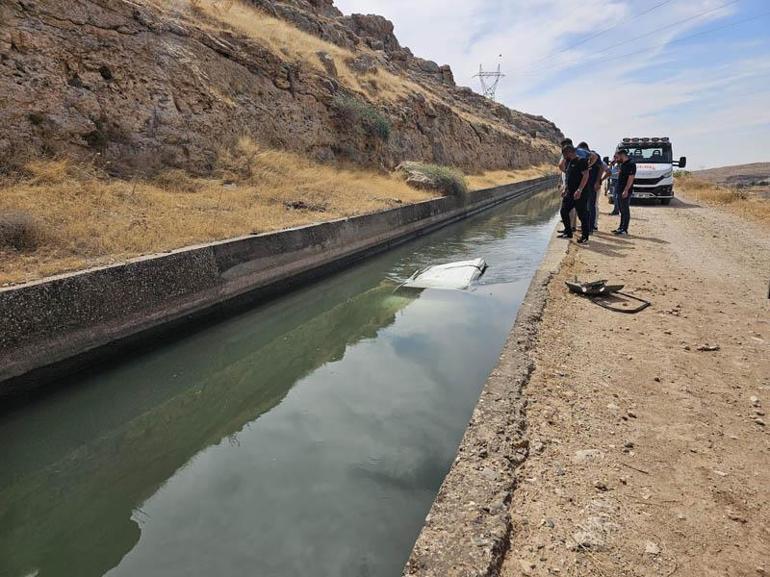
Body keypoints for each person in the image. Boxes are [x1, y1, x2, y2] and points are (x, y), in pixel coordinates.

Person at [558, 139, 597, 233]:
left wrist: (579, 190)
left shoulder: (581, 159)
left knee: (582, 213)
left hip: (580, 190)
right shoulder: (569, 161)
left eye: (564, 154)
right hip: (570, 189)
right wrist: (565, 187)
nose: (564, 157)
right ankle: (569, 230)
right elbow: (567, 174)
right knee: (564, 211)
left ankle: (585, 234)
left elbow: (586, 175)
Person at [577, 142, 607, 232]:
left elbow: (602, 167)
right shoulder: (583, 157)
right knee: (585, 206)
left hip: (591, 184)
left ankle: (590, 227)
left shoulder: (594, 155)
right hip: (585, 184)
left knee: (591, 205)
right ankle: (586, 225)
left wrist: (598, 181)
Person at [613, 148, 636, 235]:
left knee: (625, 210)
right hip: (619, 190)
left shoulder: (631, 164)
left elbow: (631, 178)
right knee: (621, 210)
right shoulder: (623, 164)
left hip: (625, 191)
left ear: (622, 155)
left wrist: (626, 190)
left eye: (617, 157)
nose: (616, 158)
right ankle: (620, 227)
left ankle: (624, 229)